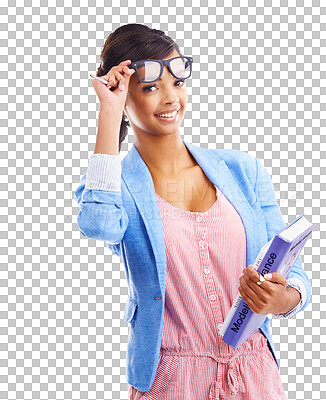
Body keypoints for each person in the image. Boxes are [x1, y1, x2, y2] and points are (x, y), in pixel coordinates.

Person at [74, 23, 311, 400]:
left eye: (177, 83)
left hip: (254, 373)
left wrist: (284, 299)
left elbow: (291, 268)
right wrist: (108, 113)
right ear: (123, 96)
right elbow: (97, 224)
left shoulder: (242, 170)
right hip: (170, 380)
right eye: (150, 87)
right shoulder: (114, 184)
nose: (170, 98)